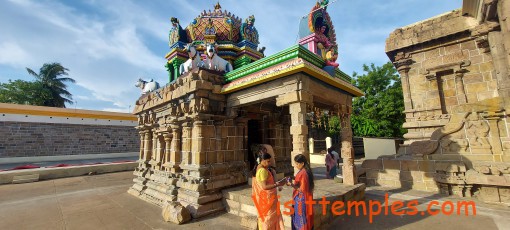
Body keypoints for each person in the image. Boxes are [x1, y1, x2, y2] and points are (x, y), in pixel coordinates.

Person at [252, 153, 286, 230]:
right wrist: (277, 184)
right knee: (269, 220)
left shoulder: (259, 167)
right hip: (268, 200)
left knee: (266, 220)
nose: (269, 163)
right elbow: (264, 186)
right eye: (268, 161)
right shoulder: (263, 171)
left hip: (263, 199)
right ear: (262, 160)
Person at [287, 154, 314, 230]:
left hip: (301, 200)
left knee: (301, 220)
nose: (296, 165)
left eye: (297, 163)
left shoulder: (303, 173)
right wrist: (294, 178)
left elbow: (302, 189)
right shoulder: (305, 171)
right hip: (305, 198)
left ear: (302, 163)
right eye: (295, 163)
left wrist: (291, 184)